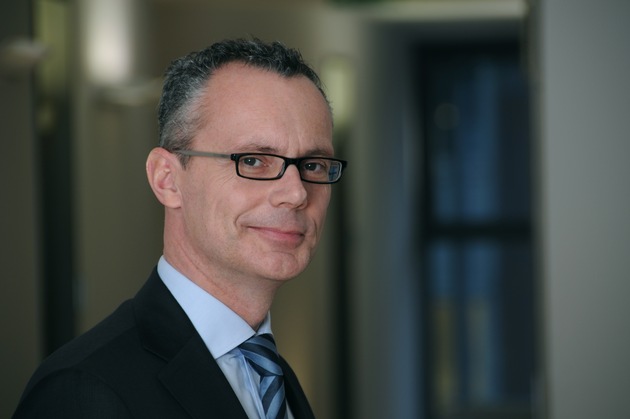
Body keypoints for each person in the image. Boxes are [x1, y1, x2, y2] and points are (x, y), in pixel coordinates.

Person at [13, 38, 346, 419]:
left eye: (313, 165)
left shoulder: (271, 374)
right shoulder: (81, 392)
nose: (297, 193)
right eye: (254, 160)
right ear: (167, 180)